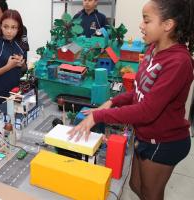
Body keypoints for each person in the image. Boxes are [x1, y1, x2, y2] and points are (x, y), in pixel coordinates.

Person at [68, 0, 194, 199]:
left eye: (146, 20)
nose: (141, 26)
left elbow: (147, 110)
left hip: (164, 141)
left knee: (151, 195)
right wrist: (112, 102)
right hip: (145, 135)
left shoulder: (179, 62)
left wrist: (99, 116)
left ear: (167, 25)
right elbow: (138, 90)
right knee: (135, 185)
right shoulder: (153, 49)